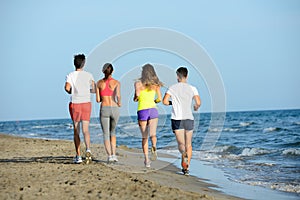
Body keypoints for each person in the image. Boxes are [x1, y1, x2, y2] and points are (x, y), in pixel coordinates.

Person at [162, 67, 201, 175]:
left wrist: (172, 103)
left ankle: (183, 154)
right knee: (189, 144)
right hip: (189, 118)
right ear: (187, 76)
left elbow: (164, 101)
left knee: (181, 143)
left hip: (177, 118)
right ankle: (186, 167)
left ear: (177, 76)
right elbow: (198, 102)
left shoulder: (172, 88)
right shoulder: (193, 88)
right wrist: (196, 107)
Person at [65, 54, 95, 164]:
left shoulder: (70, 75)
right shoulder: (89, 75)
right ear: (84, 63)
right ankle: (88, 149)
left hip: (75, 103)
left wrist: (71, 91)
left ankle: (78, 156)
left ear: (74, 63)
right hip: (86, 103)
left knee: (76, 130)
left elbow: (67, 88)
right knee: (86, 129)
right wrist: (87, 91)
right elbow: (94, 88)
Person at [134, 64, 163, 168]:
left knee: (144, 137)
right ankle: (154, 146)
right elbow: (160, 98)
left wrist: (136, 98)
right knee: (153, 134)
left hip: (142, 110)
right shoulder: (155, 84)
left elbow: (137, 96)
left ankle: (147, 160)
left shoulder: (138, 83)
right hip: (153, 110)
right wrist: (154, 101)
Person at [96, 63, 121, 163]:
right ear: (112, 71)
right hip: (114, 108)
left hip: (104, 108)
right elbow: (118, 96)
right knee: (113, 132)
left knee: (106, 134)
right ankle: (114, 154)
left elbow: (98, 100)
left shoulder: (99, 83)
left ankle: (110, 156)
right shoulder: (116, 83)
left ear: (103, 71)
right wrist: (119, 102)